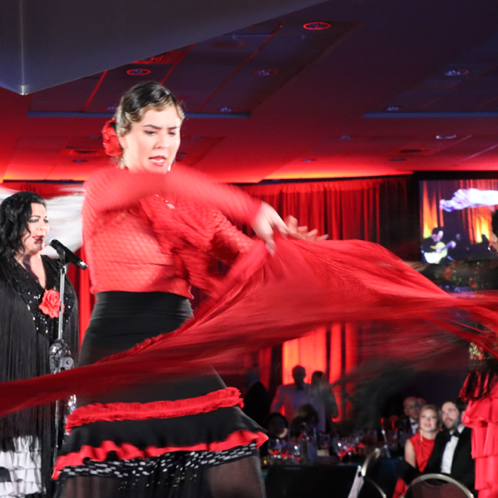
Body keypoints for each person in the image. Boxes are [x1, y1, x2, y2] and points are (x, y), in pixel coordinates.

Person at [54, 81, 321, 498]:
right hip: (116, 347)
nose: (164, 143)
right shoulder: (104, 186)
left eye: (173, 131)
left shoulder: (195, 208)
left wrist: (286, 250)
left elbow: (246, 256)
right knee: (106, 479)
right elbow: (156, 187)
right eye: (150, 131)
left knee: (236, 464)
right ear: (122, 135)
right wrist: (250, 207)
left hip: (179, 348)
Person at [0, 192, 78, 498]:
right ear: (12, 224)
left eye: (45, 220)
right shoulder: (3, 271)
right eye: (33, 220)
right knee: (20, 484)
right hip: (15, 392)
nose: (42, 227)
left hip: (56, 396)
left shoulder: (58, 271)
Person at [393, 404, 439, 498]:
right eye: (424, 417)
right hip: (417, 482)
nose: (427, 420)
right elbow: (410, 474)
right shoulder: (413, 442)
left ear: (438, 420)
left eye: (432, 417)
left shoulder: (444, 438)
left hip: (439, 482)